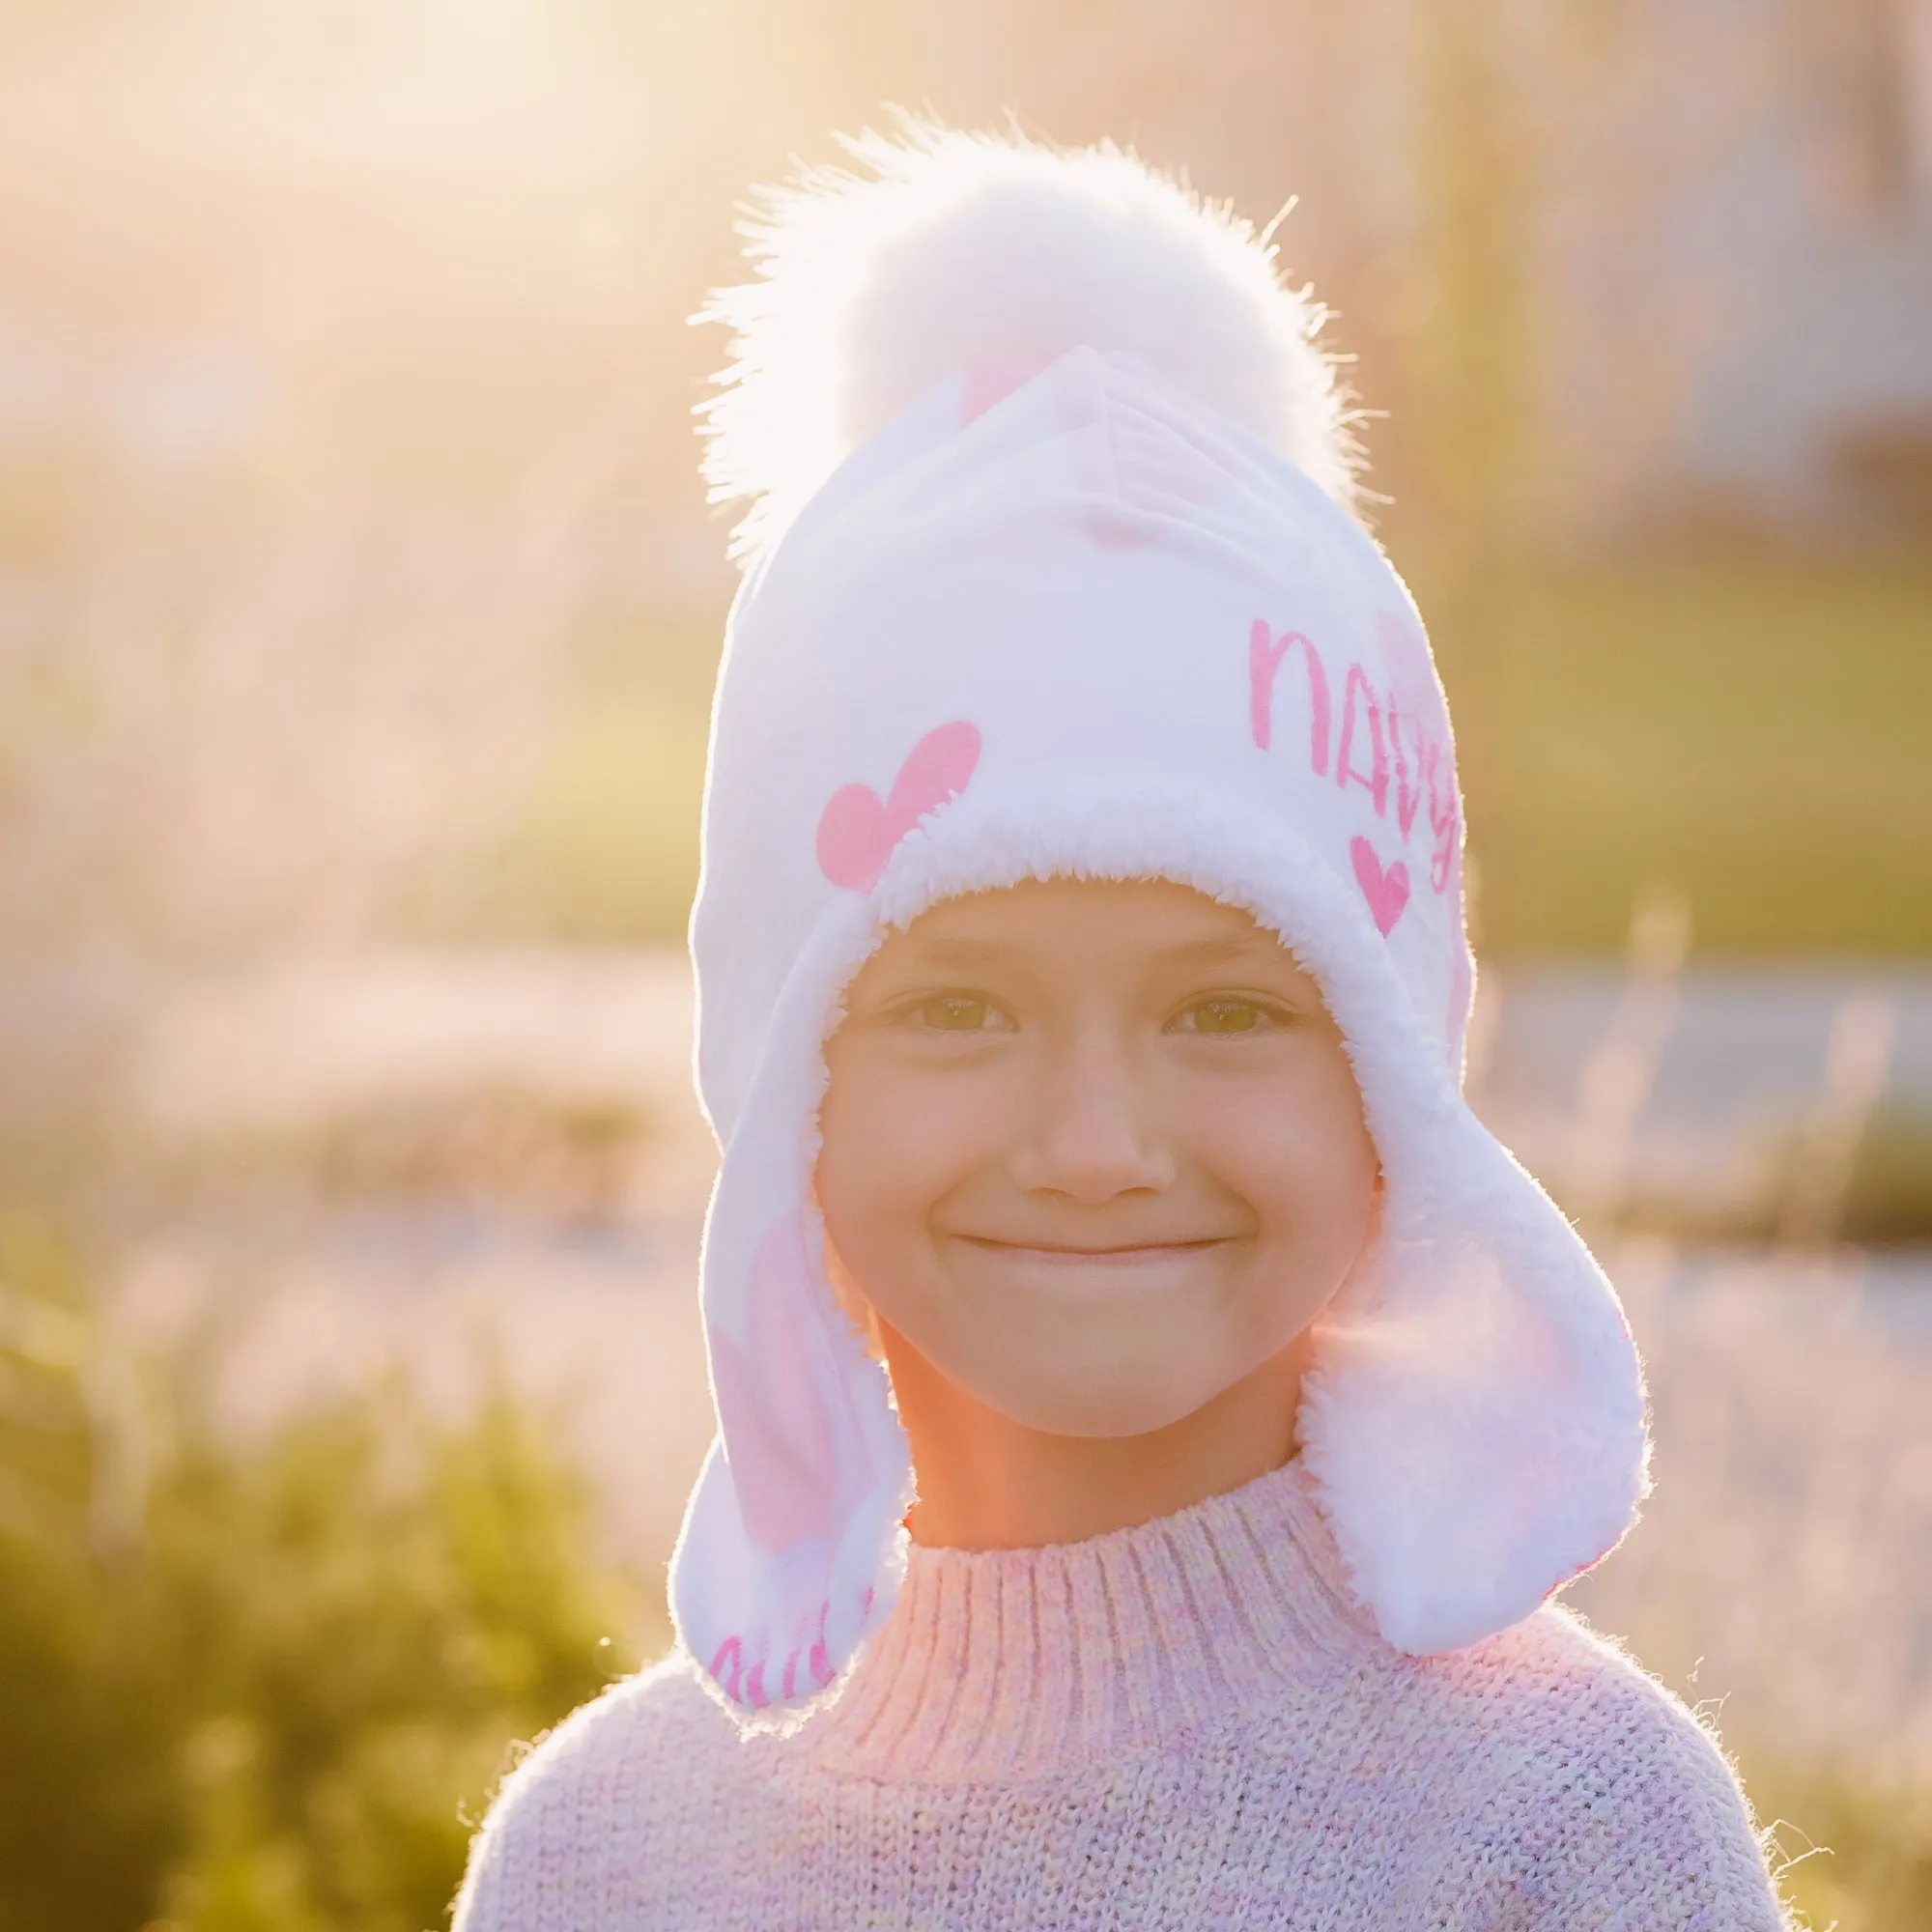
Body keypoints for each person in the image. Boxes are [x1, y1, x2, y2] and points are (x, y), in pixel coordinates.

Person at [451, 121, 1794, 1929]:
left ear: (1395, 1081)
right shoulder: (608, 1861)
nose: (1096, 1145)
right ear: (786, 1081)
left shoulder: (1563, 1836)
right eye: (958, 1004)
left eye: (1230, 1005)